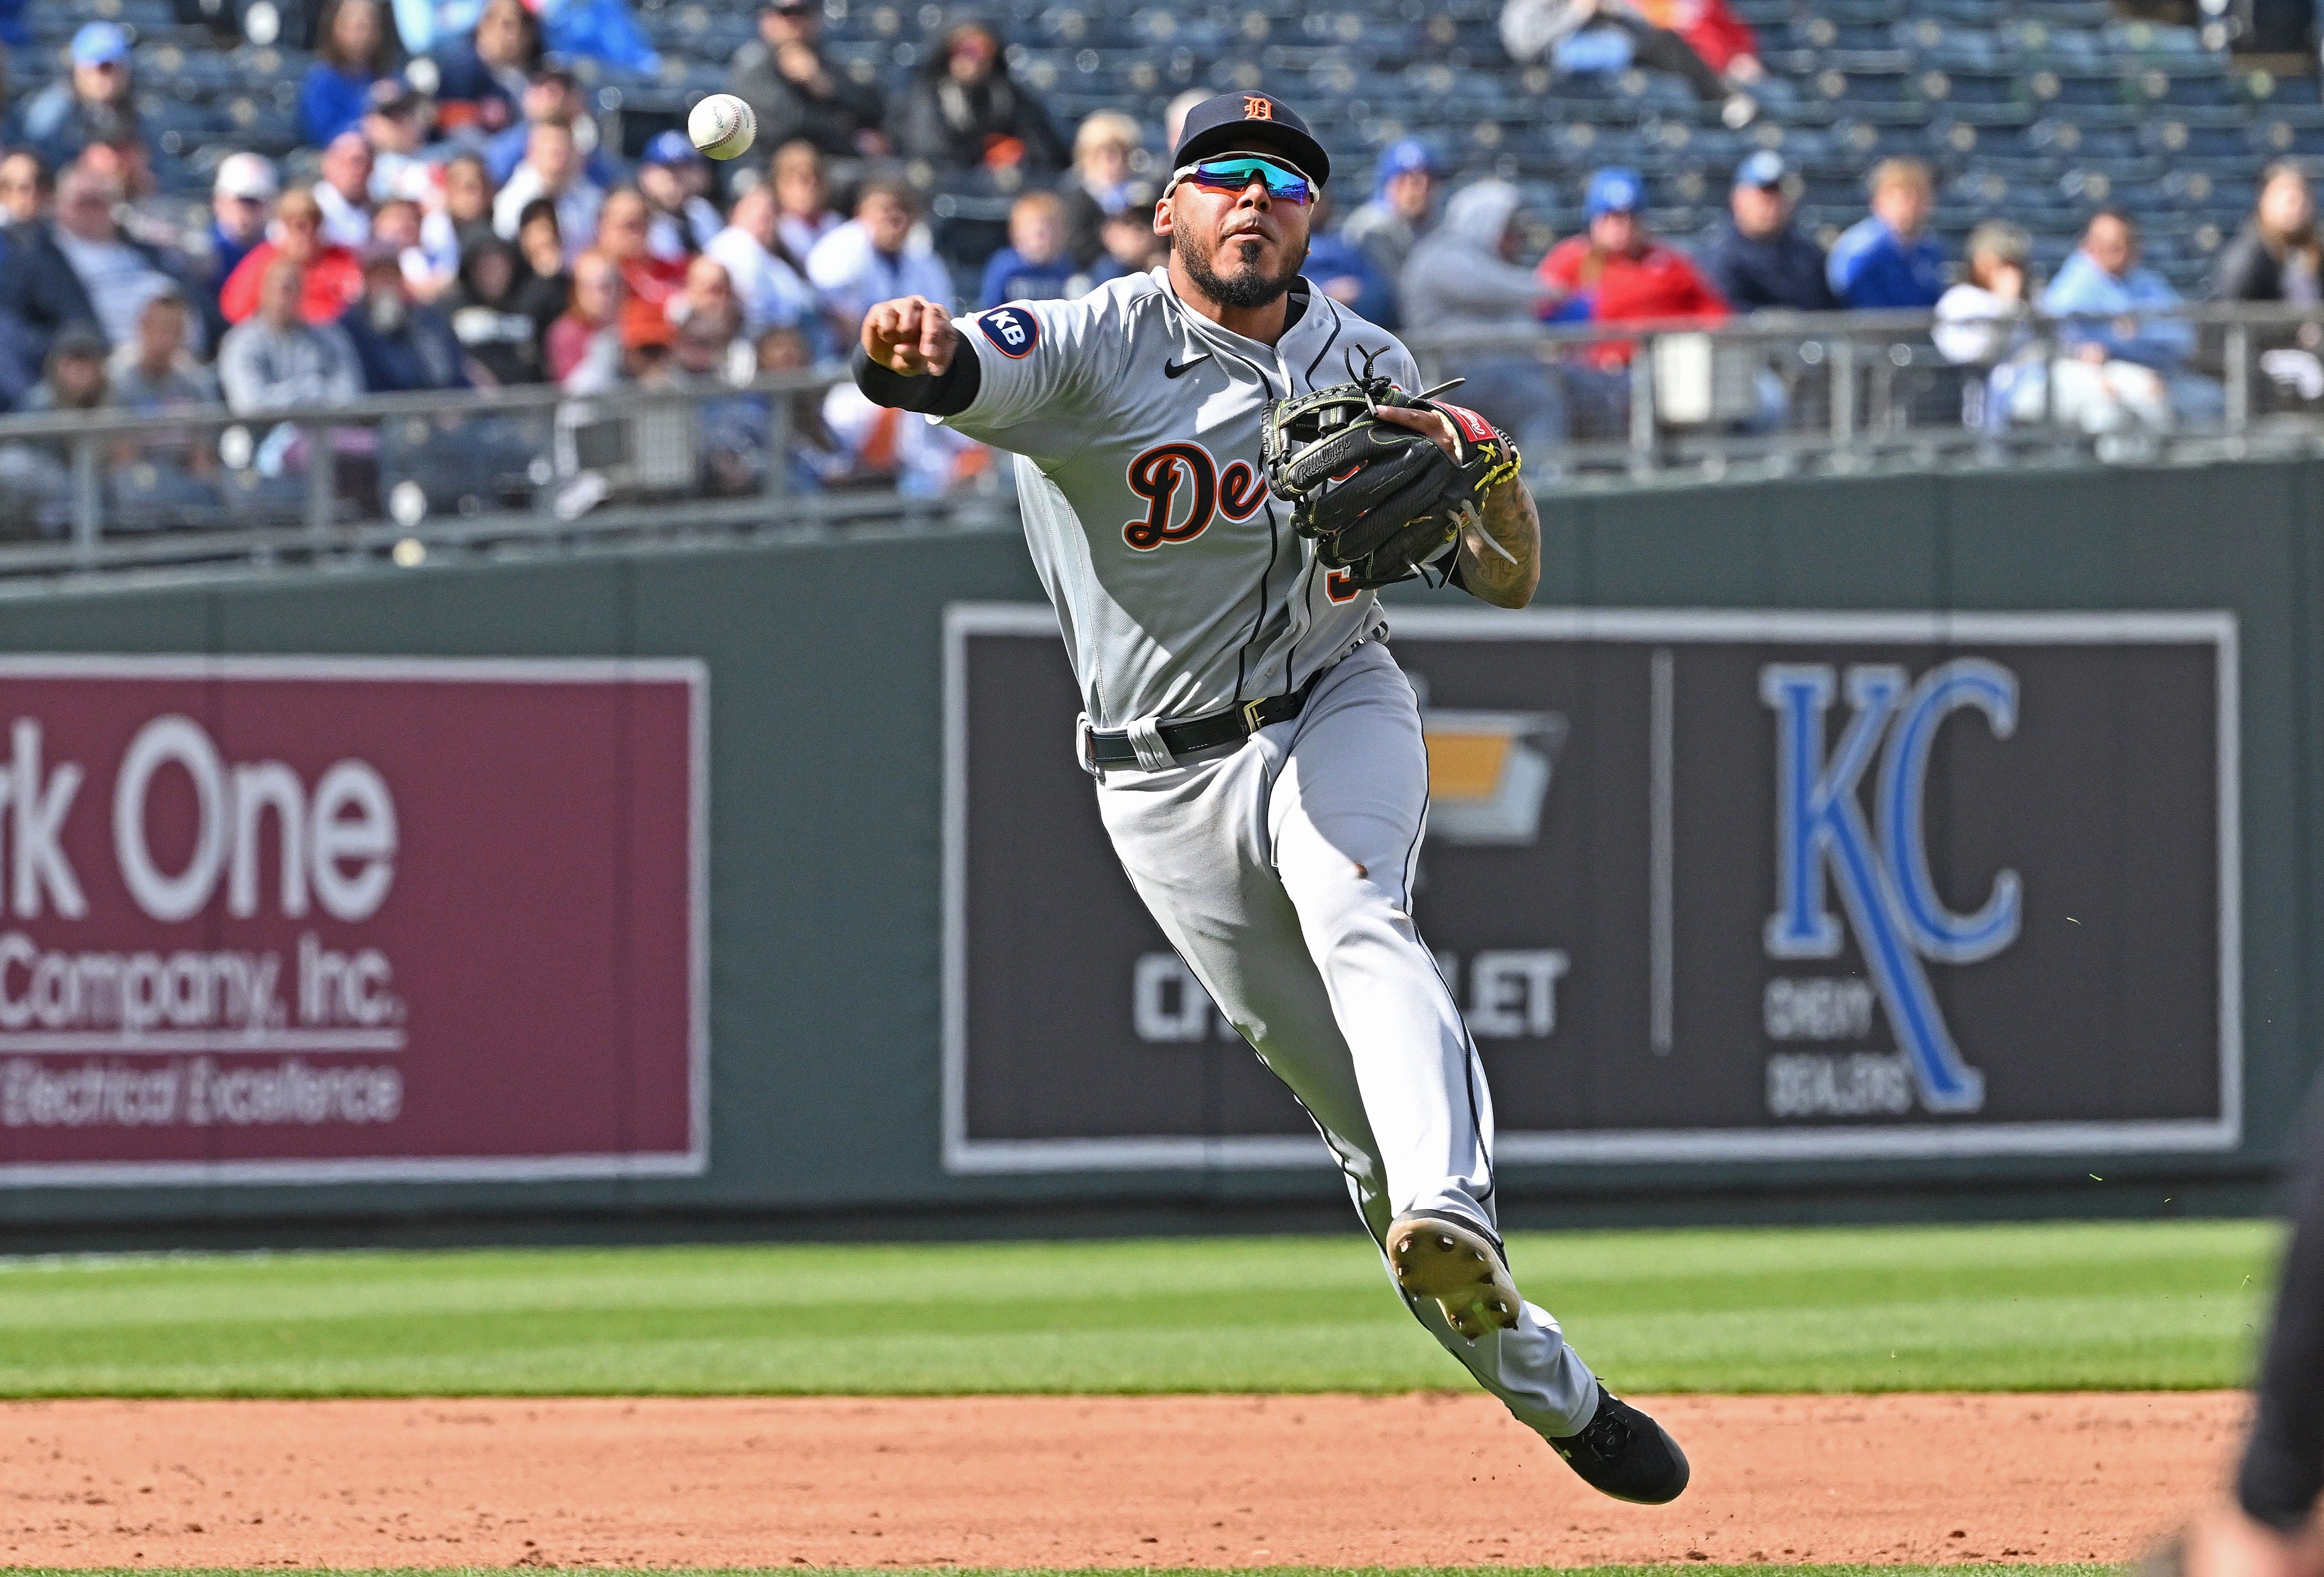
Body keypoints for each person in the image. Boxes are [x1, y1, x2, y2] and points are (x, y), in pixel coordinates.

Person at [847, 86, 1692, 1505]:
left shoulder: (1366, 354)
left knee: (1362, 912)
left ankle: (1453, 1205)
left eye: (1286, 180)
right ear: (1168, 206)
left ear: (1316, 215)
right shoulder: (1094, 341)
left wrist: (1491, 469)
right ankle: (1558, 1392)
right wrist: (909, 357)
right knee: (1349, 1127)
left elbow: (1505, 573)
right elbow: (950, 370)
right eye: (1224, 174)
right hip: (1158, 782)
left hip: (1336, 697)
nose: (1255, 197)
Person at [1400, 178, 1573, 457]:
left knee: (1576, 383)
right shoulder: (1442, 253)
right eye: (1507, 229)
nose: (1514, 239)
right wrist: (1551, 289)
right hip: (1449, 377)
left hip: (1490, 368)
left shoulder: (1483, 258)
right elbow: (1490, 287)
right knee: (1540, 399)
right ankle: (1551, 481)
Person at [0, 162, 187, 381]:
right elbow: (16, 331)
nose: (93, 211)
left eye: (101, 202)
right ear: (58, 205)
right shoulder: (34, 261)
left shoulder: (147, 252)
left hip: (186, 362)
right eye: (83, 202)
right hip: (107, 374)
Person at [2043, 208, 2223, 427]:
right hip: (2099, 378)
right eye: (2103, 243)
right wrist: (2116, 340)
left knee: (2213, 400)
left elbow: (2183, 338)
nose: (2112, 250)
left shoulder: (2147, 283)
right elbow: (2055, 333)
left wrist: (2135, 337)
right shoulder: (2076, 281)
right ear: (2088, 245)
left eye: (2120, 243)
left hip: (2163, 374)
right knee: (2120, 407)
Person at [1537, 165, 1726, 374]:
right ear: (1594, 220)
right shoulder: (1572, 260)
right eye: (1612, 217)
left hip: (1671, 372)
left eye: (1630, 217)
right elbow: (1539, 316)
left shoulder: (1669, 262)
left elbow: (1716, 317)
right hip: (1596, 374)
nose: (1623, 226)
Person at [1500, 0, 1755, 126]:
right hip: (1556, 61)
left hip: (1612, 49)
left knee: (1662, 40)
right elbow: (1521, 45)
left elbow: (1641, 23)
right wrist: (1574, 15)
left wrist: (1611, 12)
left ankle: (1720, 98)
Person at [887, 18, 1066, 174]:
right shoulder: (928, 95)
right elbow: (928, 150)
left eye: (984, 49)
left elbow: (1046, 151)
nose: (975, 60)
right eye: (965, 50)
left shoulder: (1008, 95)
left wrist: (1016, 151)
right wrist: (983, 155)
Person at [729, 0, 887, 161]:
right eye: (785, 13)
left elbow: (873, 109)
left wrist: (821, 83)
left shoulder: (826, 61)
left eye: (803, 12)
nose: (794, 21)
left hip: (829, 163)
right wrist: (847, 133)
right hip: (766, 166)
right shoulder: (752, 62)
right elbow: (787, 125)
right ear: (766, 20)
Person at [1933, 220, 2048, 431]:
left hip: (2031, 387)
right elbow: (1975, 352)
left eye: (2017, 262)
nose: (2013, 271)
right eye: (2005, 261)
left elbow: (2053, 340)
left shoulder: (2033, 299)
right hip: (1979, 399)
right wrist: (2006, 305)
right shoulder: (1960, 300)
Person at [216, 259, 364, 414]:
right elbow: (250, 404)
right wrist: (311, 389)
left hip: (325, 432)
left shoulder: (331, 337)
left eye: (292, 289)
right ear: (263, 292)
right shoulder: (240, 341)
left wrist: (288, 396)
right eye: (278, 288)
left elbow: (350, 396)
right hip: (263, 434)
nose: (283, 297)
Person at [806, 177, 952, 332]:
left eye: (905, 210)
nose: (896, 219)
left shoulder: (925, 260)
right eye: (886, 210)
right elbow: (829, 308)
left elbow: (943, 313)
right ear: (861, 212)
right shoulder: (836, 250)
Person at [1704, 151, 1836, 314]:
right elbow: (1728, 317)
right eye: (1763, 198)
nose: (1771, 207)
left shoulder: (1808, 254)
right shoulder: (1721, 256)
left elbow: (1830, 310)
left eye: (1777, 197)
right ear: (1738, 198)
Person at [219, 186, 367, 327]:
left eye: (314, 224)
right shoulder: (264, 260)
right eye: (299, 226)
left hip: (333, 338)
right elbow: (235, 310)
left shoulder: (340, 259)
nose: (307, 234)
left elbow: (354, 303)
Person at [17, 23, 140, 175]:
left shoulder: (134, 110)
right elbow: (35, 169)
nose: (109, 78)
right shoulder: (54, 111)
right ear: (78, 69)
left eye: (118, 67)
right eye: (103, 67)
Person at [340, 245, 466, 391]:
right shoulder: (351, 325)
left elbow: (450, 371)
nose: (386, 284)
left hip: (438, 405)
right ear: (366, 281)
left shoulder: (426, 319)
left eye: (392, 276)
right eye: (379, 276)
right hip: (385, 408)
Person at [1828, 158, 1946, 310]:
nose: (1913, 206)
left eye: (1921, 196)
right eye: (1905, 198)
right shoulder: (1861, 249)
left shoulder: (1929, 248)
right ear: (1879, 200)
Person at [704, 184, 819, 338]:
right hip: (755, 339)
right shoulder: (736, 244)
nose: (767, 224)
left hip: (791, 331)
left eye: (771, 217)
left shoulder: (767, 254)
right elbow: (753, 307)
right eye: (761, 217)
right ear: (736, 213)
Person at [493, 118, 603, 265]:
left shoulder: (592, 199)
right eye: (549, 146)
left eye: (563, 147)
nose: (557, 152)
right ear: (531, 151)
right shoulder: (511, 201)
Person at [441, 234, 543, 384]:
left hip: (525, 398)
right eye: (485, 266)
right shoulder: (448, 309)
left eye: (500, 265)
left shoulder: (531, 305)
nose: (493, 273)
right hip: (475, 400)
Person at [430, 0, 540, 138]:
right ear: (485, 26)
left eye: (525, 24)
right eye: (507, 26)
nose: (517, 34)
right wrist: (479, 113)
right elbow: (439, 115)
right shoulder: (461, 66)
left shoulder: (534, 66)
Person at [303, 0, 400, 147]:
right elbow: (321, 134)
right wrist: (368, 121)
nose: (365, 35)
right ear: (337, 28)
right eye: (359, 27)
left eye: (372, 27)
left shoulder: (383, 72)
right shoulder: (322, 79)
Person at [1342, 138, 1439, 286]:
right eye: (1411, 183)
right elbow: (1394, 288)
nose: (1420, 192)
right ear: (1389, 185)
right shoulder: (1371, 226)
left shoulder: (1435, 224)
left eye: (1428, 183)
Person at [1059, 110, 1147, 269]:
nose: (1116, 162)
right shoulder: (1076, 200)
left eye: (1123, 154)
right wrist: (1115, 245)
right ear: (1087, 156)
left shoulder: (1142, 196)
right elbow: (1076, 247)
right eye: (1108, 155)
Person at [1303, 187, 1396, 329]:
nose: (1316, 206)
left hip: (1353, 321)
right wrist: (1323, 292)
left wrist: (1356, 289)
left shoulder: (1344, 243)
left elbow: (1376, 283)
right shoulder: (1288, 245)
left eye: (1320, 200)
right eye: (1309, 199)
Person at [413, 151, 496, 300]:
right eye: (469, 189)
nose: (478, 197)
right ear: (450, 191)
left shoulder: (500, 224)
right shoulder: (433, 228)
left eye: (484, 187)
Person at [980, 190, 1081, 308]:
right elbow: (991, 307)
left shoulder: (1070, 269)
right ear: (1015, 232)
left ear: (1064, 233)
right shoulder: (1004, 267)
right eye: (1037, 234)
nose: (1042, 241)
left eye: (1049, 231)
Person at [595, 186, 687, 310]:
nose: (637, 234)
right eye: (629, 225)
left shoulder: (675, 270)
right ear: (604, 226)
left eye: (643, 223)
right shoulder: (597, 277)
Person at [637, 132, 723, 264]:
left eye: (683, 168)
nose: (675, 178)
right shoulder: (637, 218)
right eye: (667, 168)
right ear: (646, 174)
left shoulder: (702, 211)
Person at [546, 245, 622, 382]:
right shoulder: (565, 334)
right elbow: (575, 392)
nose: (598, 296)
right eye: (588, 288)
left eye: (606, 287)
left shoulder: (635, 325)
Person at [771, 139, 841, 263]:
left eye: (817, 177)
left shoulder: (837, 225)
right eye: (803, 179)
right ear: (781, 185)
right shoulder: (775, 237)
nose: (812, 187)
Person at [315, 131, 377, 249]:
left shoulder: (376, 210)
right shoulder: (313, 208)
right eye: (354, 162)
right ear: (328, 164)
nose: (360, 171)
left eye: (367, 163)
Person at [0, 150, 49, 231]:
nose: (32, 196)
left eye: (39, 188)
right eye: (24, 189)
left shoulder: (47, 232)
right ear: (4, 192)